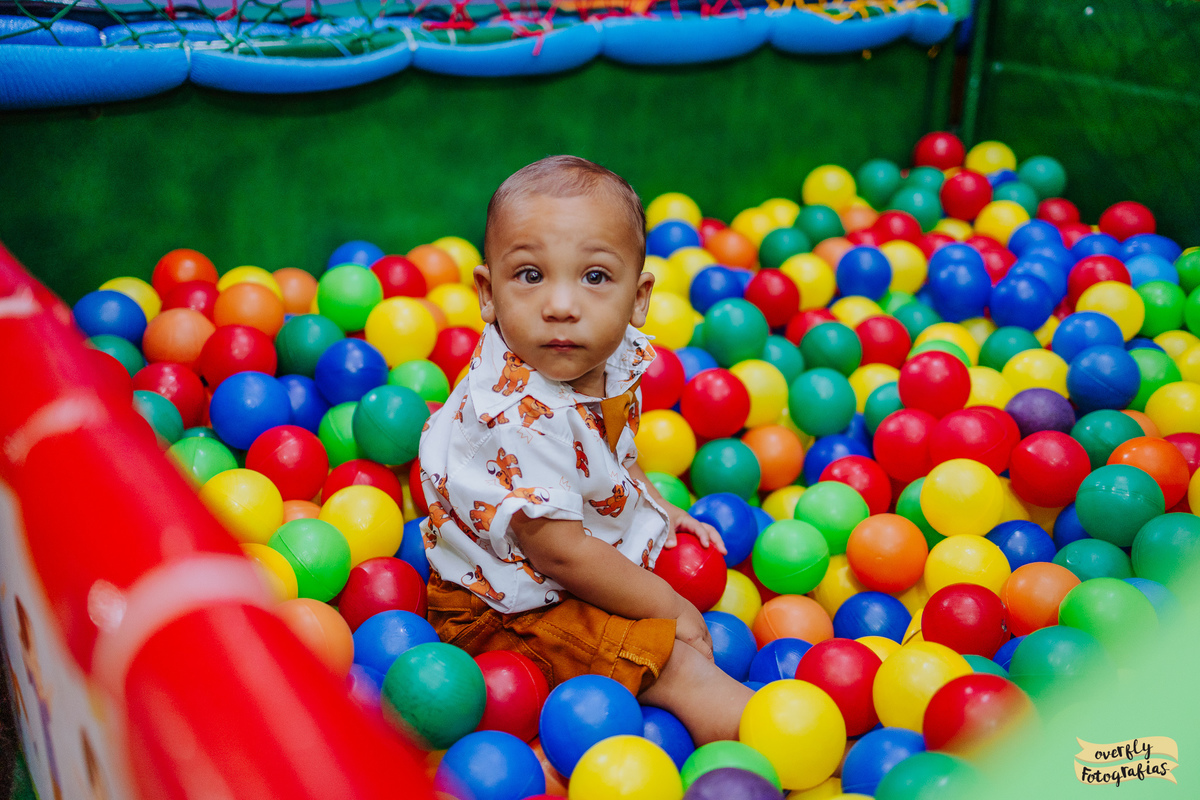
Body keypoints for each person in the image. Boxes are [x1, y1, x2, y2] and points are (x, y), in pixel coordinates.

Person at [419, 155, 753, 744]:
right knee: (675, 664)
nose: (562, 305)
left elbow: (611, 447)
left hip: (562, 561)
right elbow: (562, 556)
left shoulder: (608, 357)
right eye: (529, 275)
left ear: (639, 298)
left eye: (595, 277)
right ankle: (785, 751)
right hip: (508, 607)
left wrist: (652, 502)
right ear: (486, 291)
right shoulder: (518, 413)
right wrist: (669, 608)